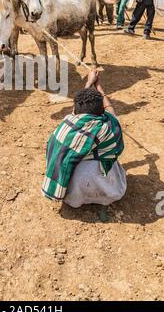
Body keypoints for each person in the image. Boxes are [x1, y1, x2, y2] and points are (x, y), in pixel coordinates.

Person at [42, 70, 126, 212]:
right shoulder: (109, 126)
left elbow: (76, 108)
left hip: (73, 195)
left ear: (75, 111)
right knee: (109, 157)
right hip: (106, 191)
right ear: (101, 112)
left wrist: (88, 82)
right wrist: (99, 87)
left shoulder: (68, 123)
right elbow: (111, 110)